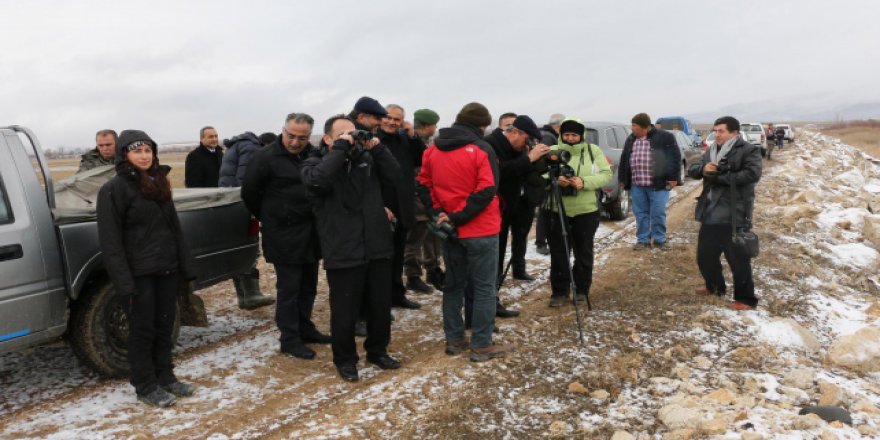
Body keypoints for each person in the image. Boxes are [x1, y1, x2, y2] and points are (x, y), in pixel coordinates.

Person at [97, 129, 196, 407]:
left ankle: (166, 377)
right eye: (137, 151)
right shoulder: (113, 189)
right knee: (143, 331)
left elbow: (174, 228)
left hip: (166, 269)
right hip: (138, 274)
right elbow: (111, 242)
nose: (144, 156)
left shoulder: (159, 182)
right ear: (125, 155)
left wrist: (185, 267)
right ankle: (145, 385)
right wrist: (124, 284)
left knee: (164, 326)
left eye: (148, 151)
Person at [302, 114, 402, 382]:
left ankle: (377, 351)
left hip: (376, 244)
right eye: (343, 134)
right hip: (343, 248)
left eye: (354, 133)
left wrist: (377, 148)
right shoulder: (315, 163)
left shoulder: (366, 160)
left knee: (380, 307)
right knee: (345, 311)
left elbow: (395, 176)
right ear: (327, 138)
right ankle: (345, 359)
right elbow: (318, 182)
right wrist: (340, 149)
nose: (351, 138)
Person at [417, 102, 514, 362]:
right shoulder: (482, 149)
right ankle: (482, 344)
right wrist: (460, 216)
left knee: (454, 286)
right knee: (484, 288)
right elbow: (487, 190)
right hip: (480, 228)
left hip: (449, 229)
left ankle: (455, 339)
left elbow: (423, 184)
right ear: (481, 125)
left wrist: (439, 214)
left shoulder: (433, 149)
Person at [241, 113, 329, 359]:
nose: (295, 142)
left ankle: (305, 327)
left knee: (309, 285)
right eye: (291, 136)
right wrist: (273, 216)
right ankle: (289, 338)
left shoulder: (312, 155)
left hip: (311, 232)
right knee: (289, 288)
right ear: (283, 131)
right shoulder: (264, 158)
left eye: (301, 138)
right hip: (283, 234)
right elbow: (249, 193)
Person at [688, 116, 762, 310]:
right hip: (711, 211)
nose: (717, 135)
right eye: (715, 131)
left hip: (734, 213)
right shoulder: (711, 150)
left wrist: (719, 176)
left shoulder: (748, 150)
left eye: (721, 131)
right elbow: (693, 170)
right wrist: (704, 169)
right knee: (705, 256)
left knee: (738, 258)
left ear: (734, 133)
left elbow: (753, 174)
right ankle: (714, 287)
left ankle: (745, 299)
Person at [484, 115, 549, 316]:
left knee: (501, 251)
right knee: (493, 257)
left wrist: (534, 158)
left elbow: (526, 174)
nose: (526, 144)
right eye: (526, 139)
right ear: (514, 132)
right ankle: (489, 303)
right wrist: (528, 158)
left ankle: (491, 300)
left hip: (510, 207)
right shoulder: (491, 144)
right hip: (494, 209)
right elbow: (500, 172)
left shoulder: (513, 148)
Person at [546, 118, 612, 307]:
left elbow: (606, 174)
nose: (570, 138)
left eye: (574, 134)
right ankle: (559, 292)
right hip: (557, 209)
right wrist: (555, 180)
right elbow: (539, 174)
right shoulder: (552, 152)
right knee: (559, 252)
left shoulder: (593, 151)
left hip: (586, 210)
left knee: (583, 252)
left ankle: (581, 290)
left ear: (581, 135)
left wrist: (584, 182)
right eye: (566, 134)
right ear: (561, 135)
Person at [219, 131, 276, 310]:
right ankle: (251, 294)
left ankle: (245, 295)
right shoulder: (252, 148)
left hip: (230, 201)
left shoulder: (240, 145)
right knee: (247, 246)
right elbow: (246, 181)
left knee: (238, 246)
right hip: (240, 203)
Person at [377, 104, 426, 309]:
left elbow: (422, 158)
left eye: (397, 119)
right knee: (382, 258)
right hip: (382, 206)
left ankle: (397, 294)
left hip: (403, 205)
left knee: (398, 254)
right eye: (388, 117)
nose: (392, 122)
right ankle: (380, 301)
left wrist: (414, 136)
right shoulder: (373, 140)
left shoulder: (405, 139)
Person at [618, 113, 681, 250]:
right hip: (637, 184)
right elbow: (624, 159)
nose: (632, 128)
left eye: (634, 126)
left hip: (658, 184)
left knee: (658, 212)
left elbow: (674, 157)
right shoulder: (631, 139)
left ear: (645, 127)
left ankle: (660, 239)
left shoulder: (665, 137)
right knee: (640, 213)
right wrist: (622, 178)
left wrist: (672, 177)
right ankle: (643, 240)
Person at [404, 108, 445, 292]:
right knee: (415, 240)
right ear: (428, 125)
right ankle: (413, 276)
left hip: (428, 199)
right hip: (417, 199)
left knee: (431, 237)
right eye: (434, 125)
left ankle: (432, 270)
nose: (435, 129)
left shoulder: (425, 142)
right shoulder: (412, 142)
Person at [535, 114, 565, 255]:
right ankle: (541, 243)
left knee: (545, 210)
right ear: (558, 126)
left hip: (544, 178)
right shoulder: (549, 137)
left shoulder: (544, 133)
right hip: (546, 180)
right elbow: (543, 160)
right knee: (545, 211)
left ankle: (543, 241)